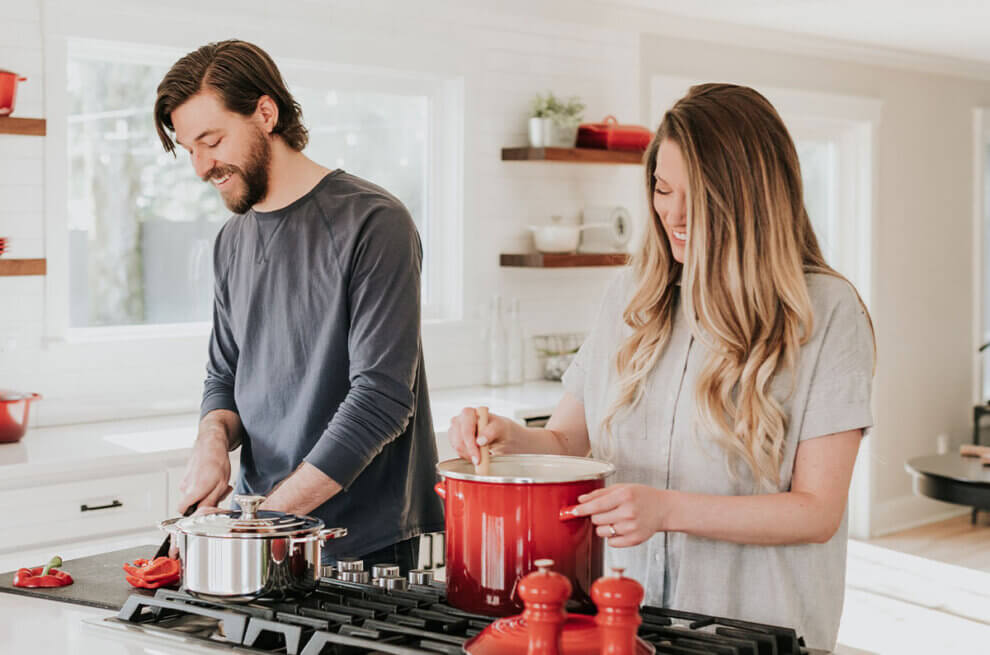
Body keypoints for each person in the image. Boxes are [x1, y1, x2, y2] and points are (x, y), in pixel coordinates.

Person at [447, 83, 875, 650]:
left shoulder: (825, 312)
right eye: (661, 188)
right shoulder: (631, 296)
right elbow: (571, 441)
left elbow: (816, 511)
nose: (672, 213)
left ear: (752, 197)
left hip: (752, 632)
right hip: (625, 626)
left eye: (695, 194)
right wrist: (511, 439)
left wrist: (668, 510)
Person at [154, 39, 443, 571]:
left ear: (266, 113)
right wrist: (211, 442)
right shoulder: (231, 239)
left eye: (210, 141)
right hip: (259, 529)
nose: (200, 167)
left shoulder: (374, 222)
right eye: (188, 148)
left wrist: (261, 524)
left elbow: (381, 399)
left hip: (363, 546)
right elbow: (225, 375)